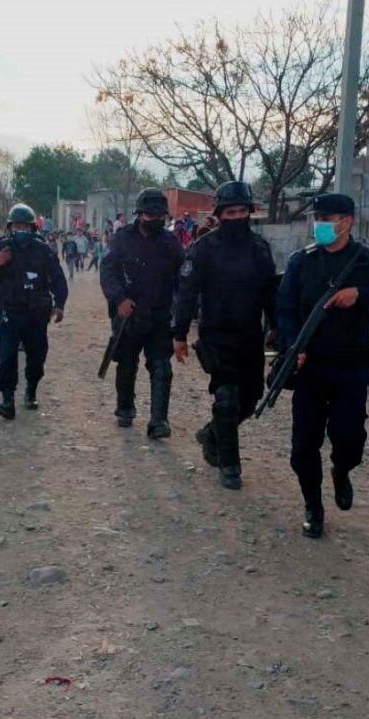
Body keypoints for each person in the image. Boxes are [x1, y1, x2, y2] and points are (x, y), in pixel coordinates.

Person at [276, 193, 369, 538]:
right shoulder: (302, 262)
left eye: (327, 219)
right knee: (304, 445)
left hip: (350, 368)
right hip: (311, 367)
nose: (320, 225)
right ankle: (313, 507)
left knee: (349, 440)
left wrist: (359, 293)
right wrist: (291, 346)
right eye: (317, 218)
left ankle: (341, 469)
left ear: (347, 222)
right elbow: (284, 309)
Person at [173, 181, 277, 490]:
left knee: (250, 399)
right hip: (216, 337)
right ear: (219, 214)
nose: (236, 217)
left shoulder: (260, 248)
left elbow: (271, 293)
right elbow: (187, 294)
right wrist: (178, 334)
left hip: (250, 337)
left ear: (250, 212)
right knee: (228, 399)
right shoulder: (203, 248)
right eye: (230, 212)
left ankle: (211, 433)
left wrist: (277, 327)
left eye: (241, 211)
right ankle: (230, 466)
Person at [100, 187, 184, 438]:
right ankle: (125, 408)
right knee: (126, 365)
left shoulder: (171, 243)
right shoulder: (122, 239)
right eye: (149, 215)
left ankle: (159, 421)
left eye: (160, 216)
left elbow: (183, 279)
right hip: (129, 315)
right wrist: (120, 299)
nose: (155, 220)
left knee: (162, 369)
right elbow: (108, 272)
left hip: (159, 316)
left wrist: (182, 311)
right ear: (139, 214)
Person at [0, 203, 68, 420]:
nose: (21, 231)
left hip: (36, 314)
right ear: (10, 227)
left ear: (32, 228)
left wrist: (59, 305)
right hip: (8, 312)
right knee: (7, 356)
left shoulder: (43, 251)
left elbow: (59, 280)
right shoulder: (0, 249)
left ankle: (31, 390)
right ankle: (7, 399)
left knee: (37, 356)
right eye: (17, 226)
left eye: (25, 227)